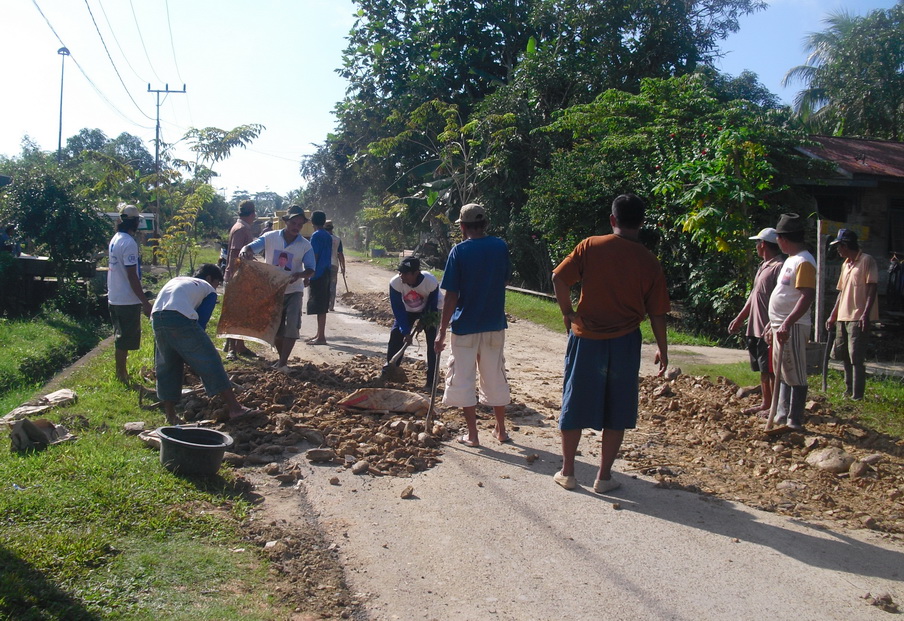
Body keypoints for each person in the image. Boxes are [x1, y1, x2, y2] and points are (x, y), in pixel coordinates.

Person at [551, 194, 670, 493]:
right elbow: (657, 312)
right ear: (642, 222)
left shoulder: (591, 246)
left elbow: (559, 279)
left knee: (575, 402)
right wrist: (663, 348)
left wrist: (568, 312)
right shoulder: (649, 261)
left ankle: (568, 472)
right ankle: (603, 477)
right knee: (617, 409)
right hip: (625, 343)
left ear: (613, 219)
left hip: (586, 339)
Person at [434, 203, 511, 447]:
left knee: (464, 378)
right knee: (495, 375)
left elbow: (451, 295)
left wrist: (441, 332)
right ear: (485, 224)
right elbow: (504, 280)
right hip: (494, 324)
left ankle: (473, 435)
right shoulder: (500, 246)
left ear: (463, 227)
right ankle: (501, 430)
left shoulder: (459, 251)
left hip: (465, 325)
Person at [151, 264, 257, 424]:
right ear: (209, 278)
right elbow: (201, 323)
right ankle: (235, 409)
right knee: (211, 359)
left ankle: (171, 416)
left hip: (157, 319)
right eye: (217, 283)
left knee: (168, 366)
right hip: (180, 318)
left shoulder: (178, 280)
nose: (216, 288)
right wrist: (196, 358)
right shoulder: (208, 288)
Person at [240, 205, 315, 372]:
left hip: (294, 290)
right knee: (275, 328)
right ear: (285, 222)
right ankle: (282, 361)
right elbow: (250, 247)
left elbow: (311, 269)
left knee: (292, 325)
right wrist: (245, 251)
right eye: (293, 223)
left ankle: (282, 363)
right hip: (273, 289)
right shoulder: (270, 237)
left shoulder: (305, 245)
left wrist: (300, 275)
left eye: (300, 224)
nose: (296, 227)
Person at [767, 213, 816, 430]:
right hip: (781, 324)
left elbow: (807, 295)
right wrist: (773, 323)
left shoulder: (804, 261)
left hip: (793, 326)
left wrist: (787, 322)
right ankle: (781, 415)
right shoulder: (791, 260)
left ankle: (794, 420)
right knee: (784, 371)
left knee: (795, 372)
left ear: (784, 239)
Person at [728, 228, 784, 415]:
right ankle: (766, 402)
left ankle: (774, 406)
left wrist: (773, 324)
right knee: (763, 368)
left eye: (757, 243)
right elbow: (753, 296)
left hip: (768, 328)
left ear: (763, 244)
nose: (756, 246)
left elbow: (781, 298)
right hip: (756, 327)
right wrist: (740, 318)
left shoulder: (779, 267)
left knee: (771, 369)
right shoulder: (763, 266)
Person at [826, 228, 878, 400]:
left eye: (839, 246)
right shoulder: (845, 264)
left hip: (858, 316)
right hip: (843, 315)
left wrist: (865, 314)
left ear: (846, 245)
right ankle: (848, 390)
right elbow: (841, 292)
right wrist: (833, 315)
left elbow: (872, 288)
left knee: (856, 356)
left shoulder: (866, 260)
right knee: (844, 355)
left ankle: (857, 394)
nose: (838, 250)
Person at [107, 204, 152, 385]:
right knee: (124, 339)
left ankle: (122, 372)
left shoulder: (115, 239)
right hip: (126, 298)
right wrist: (145, 302)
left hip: (115, 295)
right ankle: (121, 374)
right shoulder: (129, 243)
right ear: (135, 222)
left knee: (121, 336)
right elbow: (132, 275)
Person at [388, 257, 443, 388]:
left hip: (431, 309)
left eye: (406, 273)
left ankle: (431, 380)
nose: (402, 276)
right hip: (406, 310)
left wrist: (423, 321)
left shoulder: (430, 282)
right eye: (400, 272)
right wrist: (406, 331)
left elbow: (432, 305)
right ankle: (391, 371)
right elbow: (398, 308)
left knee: (433, 342)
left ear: (416, 273)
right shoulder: (395, 283)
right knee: (396, 335)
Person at [224, 199, 257, 360]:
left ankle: (240, 345)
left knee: (242, 314)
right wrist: (235, 276)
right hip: (237, 277)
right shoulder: (241, 229)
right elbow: (234, 253)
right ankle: (232, 348)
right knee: (235, 314)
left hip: (241, 276)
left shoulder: (241, 227)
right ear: (252, 214)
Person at [305, 210, 332, 345]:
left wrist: (309, 274)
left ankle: (321, 337)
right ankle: (319, 334)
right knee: (323, 306)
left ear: (312, 221)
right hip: (326, 272)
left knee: (319, 306)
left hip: (318, 274)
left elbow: (314, 256)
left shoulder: (316, 236)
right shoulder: (328, 235)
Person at [325, 220, 346, 311]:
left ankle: (324, 305)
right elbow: (340, 254)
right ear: (332, 228)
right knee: (332, 286)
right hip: (334, 265)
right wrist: (343, 266)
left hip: (324, 265)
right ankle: (331, 306)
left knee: (324, 285)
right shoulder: (337, 239)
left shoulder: (322, 238)